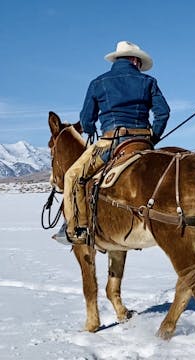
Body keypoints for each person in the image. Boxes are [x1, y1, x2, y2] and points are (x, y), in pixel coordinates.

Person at [57, 41, 170, 244]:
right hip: (142, 141)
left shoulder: (98, 83)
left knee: (72, 177)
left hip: (111, 142)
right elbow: (163, 112)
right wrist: (153, 137)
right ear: (135, 60)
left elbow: (86, 120)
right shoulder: (149, 81)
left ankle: (78, 229)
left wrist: (91, 129)